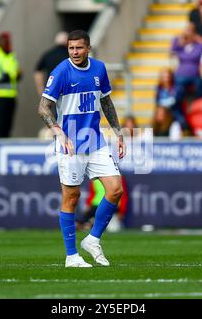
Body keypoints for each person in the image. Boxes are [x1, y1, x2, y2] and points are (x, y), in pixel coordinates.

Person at [37, 30, 125, 268]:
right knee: (72, 197)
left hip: (95, 140)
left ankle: (93, 239)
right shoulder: (61, 72)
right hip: (71, 144)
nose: (74, 52)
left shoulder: (99, 69)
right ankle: (71, 256)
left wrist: (118, 132)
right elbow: (44, 107)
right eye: (71, 48)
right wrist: (59, 132)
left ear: (88, 48)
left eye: (79, 48)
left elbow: (106, 101)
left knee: (115, 189)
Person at [170, 24, 202, 119]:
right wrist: (181, 42)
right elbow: (171, 51)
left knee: (199, 85)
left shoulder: (198, 45)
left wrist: (194, 38)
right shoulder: (179, 44)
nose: (188, 33)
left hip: (195, 74)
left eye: (190, 31)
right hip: (181, 74)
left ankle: (198, 108)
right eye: (187, 30)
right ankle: (180, 114)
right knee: (177, 92)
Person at [34, 31, 69, 96]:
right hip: (68, 89)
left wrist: (40, 88)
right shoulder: (71, 55)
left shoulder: (48, 54)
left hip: (51, 89)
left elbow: (38, 71)